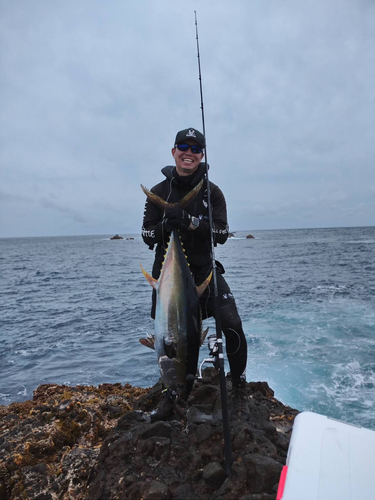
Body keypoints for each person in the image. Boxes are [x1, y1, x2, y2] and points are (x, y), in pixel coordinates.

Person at [141, 127, 248, 421]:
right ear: (173, 151)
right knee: (170, 336)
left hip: (205, 273)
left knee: (232, 324)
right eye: (183, 147)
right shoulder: (158, 193)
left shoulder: (212, 192)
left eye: (196, 148)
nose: (189, 152)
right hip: (167, 277)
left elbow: (222, 234)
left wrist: (188, 221)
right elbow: (147, 235)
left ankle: (239, 387)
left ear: (202, 155)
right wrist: (167, 225)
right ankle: (171, 395)